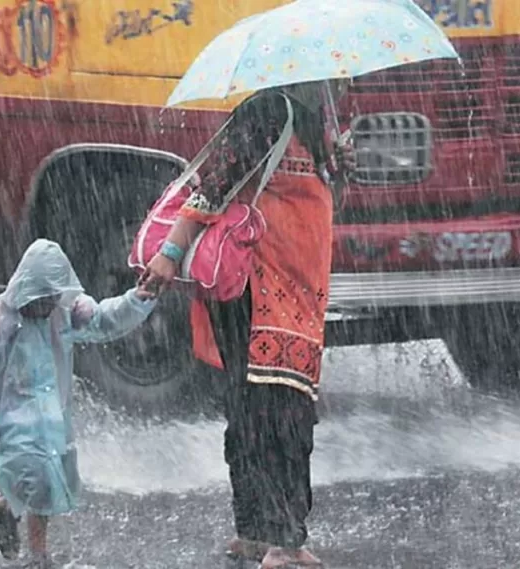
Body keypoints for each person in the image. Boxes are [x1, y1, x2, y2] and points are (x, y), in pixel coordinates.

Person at [140, 80, 354, 568]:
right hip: (261, 287)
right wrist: (170, 253)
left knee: (254, 402)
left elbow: (309, 197)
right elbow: (215, 184)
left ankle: (255, 530)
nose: (340, 82)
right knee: (280, 407)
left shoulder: (313, 117)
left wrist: (338, 166)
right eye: (333, 73)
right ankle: (282, 540)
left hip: (295, 285)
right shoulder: (269, 110)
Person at [0, 238, 157, 568]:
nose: (46, 305)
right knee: (35, 473)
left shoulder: (66, 311)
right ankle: (27, 539)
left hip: (54, 413)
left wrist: (137, 299)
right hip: (13, 414)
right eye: (41, 298)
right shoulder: (1, 317)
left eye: (52, 297)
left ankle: (14, 520)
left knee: (52, 479)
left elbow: (103, 320)